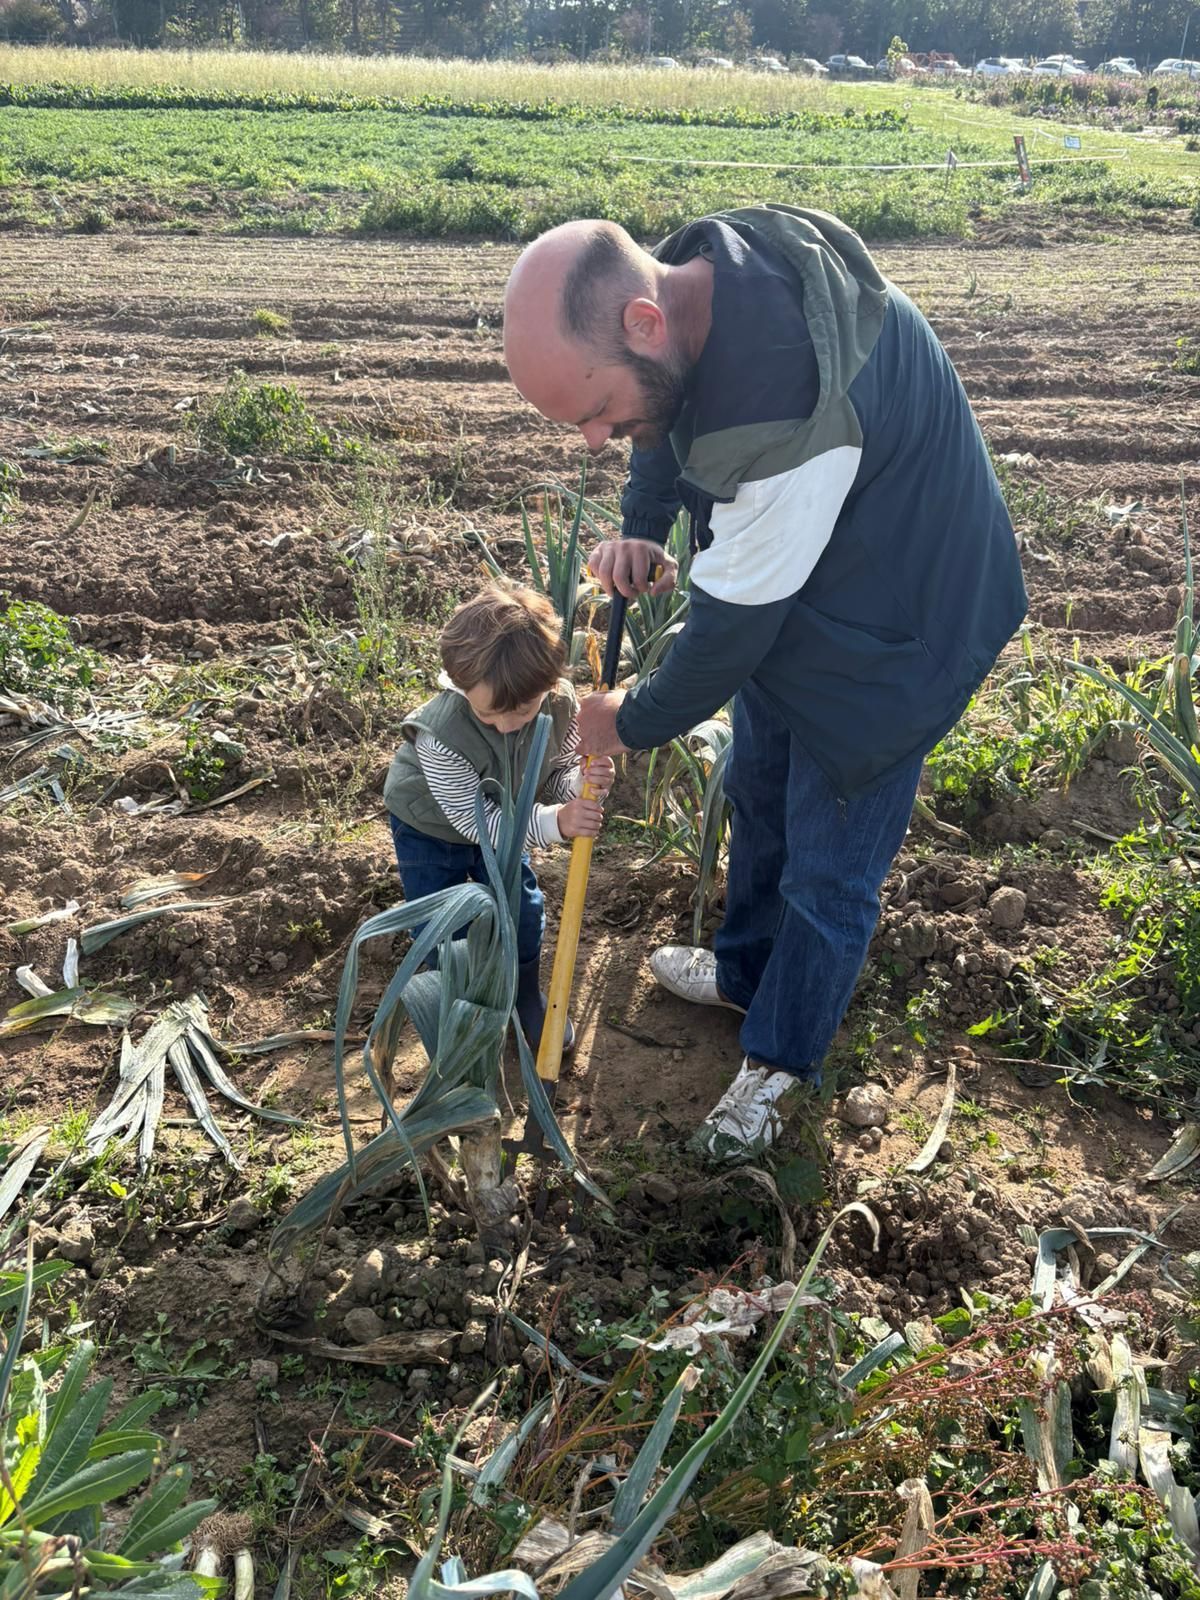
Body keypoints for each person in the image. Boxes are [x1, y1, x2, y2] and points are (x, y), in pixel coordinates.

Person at [502, 205, 1026, 1161]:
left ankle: (782, 1061)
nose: (590, 440)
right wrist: (647, 522)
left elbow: (723, 639)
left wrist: (631, 718)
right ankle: (746, 970)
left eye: (591, 412)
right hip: (818, 581)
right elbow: (659, 423)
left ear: (644, 323)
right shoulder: (695, 281)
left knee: (831, 870)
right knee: (757, 788)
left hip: (897, 627)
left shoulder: (783, 407)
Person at [383, 582, 615, 1050]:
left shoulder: (559, 703)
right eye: (490, 715)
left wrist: (579, 786)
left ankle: (524, 997)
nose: (508, 725)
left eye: (524, 711)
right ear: (461, 686)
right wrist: (556, 823)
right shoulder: (440, 733)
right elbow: (476, 825)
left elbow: (556, 770)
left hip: (507, 816)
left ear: (548, 686)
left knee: (522, 912)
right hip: (431, 828)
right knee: (444, 926)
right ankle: (454, 1010)